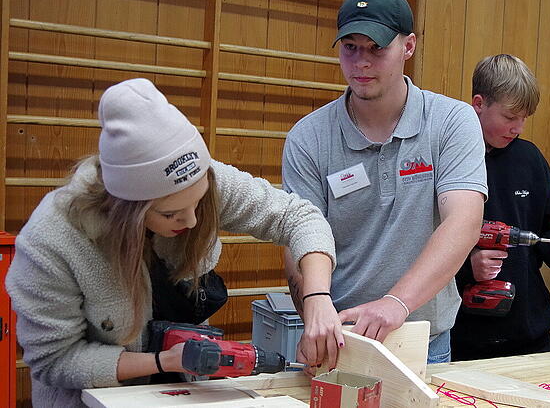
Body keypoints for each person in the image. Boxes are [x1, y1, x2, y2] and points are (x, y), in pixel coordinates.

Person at [5, 78, 338, 407]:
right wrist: (165, 361)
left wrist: (318, 298)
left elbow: (298, 217)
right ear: (129, 209)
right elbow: (56, 360)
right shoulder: (53, 239)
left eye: (199, 202)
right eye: (171, 214)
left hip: (186, 392)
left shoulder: (205, 179)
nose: (193, 221)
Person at [281, 0, 487, 370]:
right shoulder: (308, 138)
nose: (361, 63)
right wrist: (314, 307)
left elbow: (464, 221)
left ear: (407, 47)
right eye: (350, 48)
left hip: (424, 341)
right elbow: (299, 237)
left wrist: (397, 303)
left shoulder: (450, 121)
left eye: (377, 48)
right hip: (343, 339)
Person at [449, 54, 550, 360]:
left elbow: (545, 230)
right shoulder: (448, 158)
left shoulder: (530, 159)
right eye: (510, 117)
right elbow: (420, 244)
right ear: (478, 104)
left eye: (525, 118)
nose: (518, 128)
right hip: (461, 339)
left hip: (529, 335)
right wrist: (466, 269)